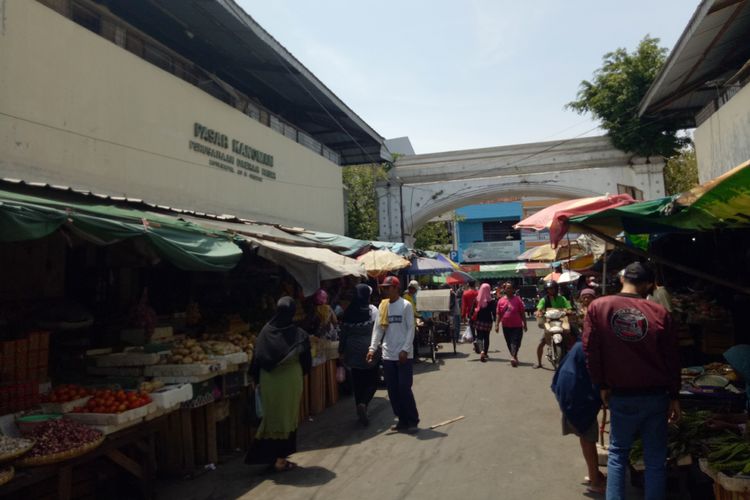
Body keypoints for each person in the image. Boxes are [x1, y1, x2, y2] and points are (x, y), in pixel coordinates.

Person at [583, 262, 680, 500]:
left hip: (621, 394)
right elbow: (672, 359)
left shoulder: (598, 306)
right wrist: (675, 395)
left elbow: (590, 351)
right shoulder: (660, 312)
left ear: (622, 279)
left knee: (617, 454)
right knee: (655, 459)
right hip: (656, 396)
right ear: (648, 285)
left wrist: (601, 384)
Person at [246, 297, 312, 472]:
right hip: (290, 381)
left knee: (271, 417)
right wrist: (299, 373)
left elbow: (257, 358)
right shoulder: (299, 335)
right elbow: (306, 363)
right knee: (287, 418)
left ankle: (269, 456)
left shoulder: (265, 332)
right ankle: (281, 460)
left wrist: (255, 378)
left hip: (269, 381)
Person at [551, 340, 605, 495]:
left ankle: (593, 473)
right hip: (576, 393)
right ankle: (595, 482)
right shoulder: (594, 349)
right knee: (588, 436)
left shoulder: (582, 345)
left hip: (567, 388)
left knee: (585, 436)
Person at [367, 276, 420, 434]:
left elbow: (411, 329)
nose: (385, 290)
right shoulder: (383, 307)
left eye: (388, 287)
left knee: (404, 388)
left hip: (404, 355)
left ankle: (412, 420)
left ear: (396, 288)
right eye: (383, 287)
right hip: (388, 354)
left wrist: (405, 349)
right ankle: (401, 420)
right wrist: (372, 348)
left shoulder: (406, 305)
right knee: (392, 390)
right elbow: (378, 329)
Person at [339, 284, 379, 426]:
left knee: (357, 381)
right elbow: (378, 329)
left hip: (352, 350)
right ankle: (364, 403)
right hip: (369, 349)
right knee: (373, 380)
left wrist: (341, 351)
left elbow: (343, 334)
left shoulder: (348, 312)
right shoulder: (372, 310)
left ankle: (359, 408)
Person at [535, 281, 572, 369]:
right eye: (549, 289)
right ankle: (539, 363)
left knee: (572, 336)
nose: (551, 290)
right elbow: (539, 309)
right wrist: (539, 312)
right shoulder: (544, 299)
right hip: (549, 322)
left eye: (552, 288)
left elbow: (569, 308)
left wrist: (568, 311)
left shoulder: (562, 298)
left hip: (562, 321)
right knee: (541, 342)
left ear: (556, 289)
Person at [495, 282, 527, 367]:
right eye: (507, 288)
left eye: (510, 288)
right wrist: (497, 324)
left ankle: (513, 356)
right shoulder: (501, 301)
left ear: (513, 289)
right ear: (504, 289)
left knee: (516, 342)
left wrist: (525, 323)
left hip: (517, 325)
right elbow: (498, 313)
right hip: (506, 326)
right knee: (509, 342)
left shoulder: (518, 299)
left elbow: (522, 313)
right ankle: (514, 356)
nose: (509, 289)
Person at [472, 283, 496, 362]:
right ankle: (485, 352)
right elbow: (494, 312)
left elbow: (472, 311)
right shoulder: (491, 300)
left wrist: (470, 318)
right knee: (486, 338)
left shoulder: (476, 299)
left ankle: (481, 351)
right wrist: (496, 321)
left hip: (478, 321)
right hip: (488, 321)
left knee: (479, 337)